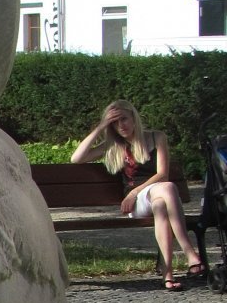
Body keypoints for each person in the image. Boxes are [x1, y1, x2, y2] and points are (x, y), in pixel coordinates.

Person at [71, 100, 204, 290]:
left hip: (151, 195)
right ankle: (189, 252)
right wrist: (100, 127)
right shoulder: (113, 145)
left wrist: (134, 192)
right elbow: (76, 159)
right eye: (114, 123)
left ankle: (168, 276)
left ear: (134, 118)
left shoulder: (157, 137)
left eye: (124, 119)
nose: (121, 126)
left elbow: (162, 174)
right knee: (167, 188)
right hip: (136, 204)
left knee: (161, 202)